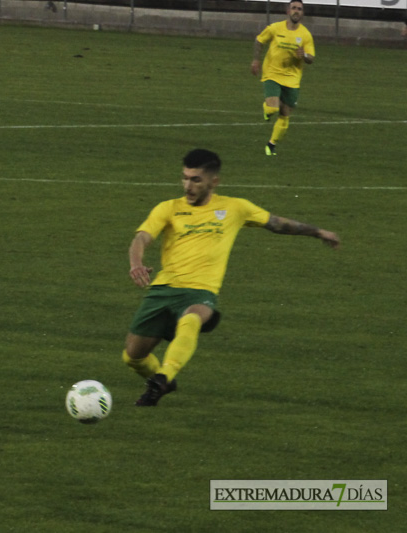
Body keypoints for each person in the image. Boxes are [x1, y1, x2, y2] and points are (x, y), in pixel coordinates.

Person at [122, 149, 339, 406]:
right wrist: (136, 263)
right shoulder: (168, 208)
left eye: (195, 180)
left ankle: (164, 377)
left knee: (192, 319)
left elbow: (277, 223)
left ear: (214, 182)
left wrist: (318, 232)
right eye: (184, 178)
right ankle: (162, 380)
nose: (187, 186)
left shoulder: (235, 208)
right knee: (132, 357)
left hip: (201, 291)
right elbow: (142, 238)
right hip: (163, 289)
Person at [250, 0, 315, 156]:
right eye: (294, 8)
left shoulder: (305, 34)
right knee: (273, 107)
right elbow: (259, 40)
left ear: (302, 13)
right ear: (288, 11)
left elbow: (311, 57)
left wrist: (304, 55)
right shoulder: (275, 28)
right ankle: (267, 109)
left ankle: (271, 144)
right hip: (272, 73)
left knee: (285, 114)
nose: (296, 11)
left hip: (292, 79)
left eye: (299, 9)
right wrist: (256, 60)